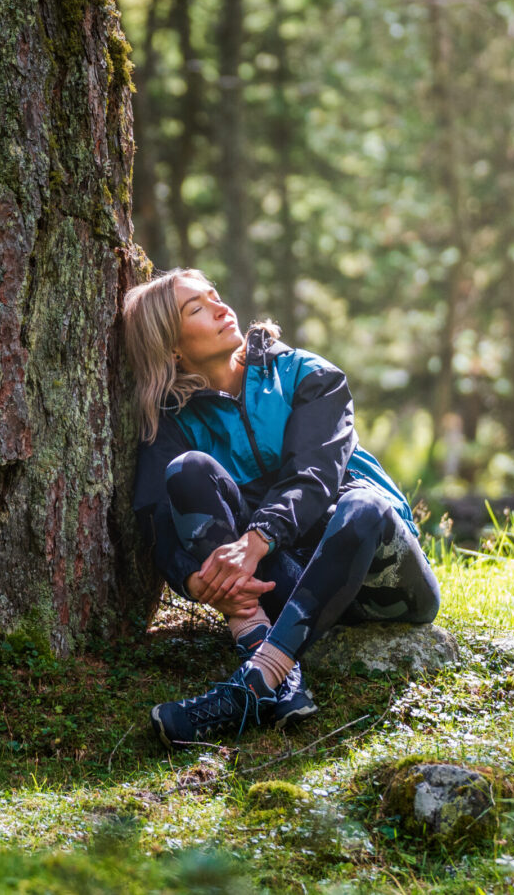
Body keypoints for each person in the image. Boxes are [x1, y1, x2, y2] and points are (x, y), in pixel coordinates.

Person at [123, 268, 441, 748]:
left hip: (380, 580)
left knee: (366, 505)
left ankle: (255, 683)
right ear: (172, 348)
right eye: (197, 308)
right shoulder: (173, 421)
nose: (221, 307)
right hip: (284, 585)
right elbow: (157, 518)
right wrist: (196, 578)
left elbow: (312, 477)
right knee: (187, 470)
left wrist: (254, 542)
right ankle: (277, 675)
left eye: (215, 296)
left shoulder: (307, 374)